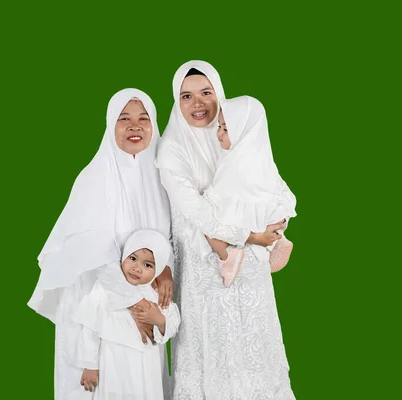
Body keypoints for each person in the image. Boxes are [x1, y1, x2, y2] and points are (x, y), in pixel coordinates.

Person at [157, 61, 295, 399]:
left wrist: (273, 226)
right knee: (212, 351)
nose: (198, 103)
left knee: (254, 345)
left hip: (250, 270)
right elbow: (196, 211)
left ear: (219, 94)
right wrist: (252, 235)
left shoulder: (235, 133)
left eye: (206, 92)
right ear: (177, 102)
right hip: (203, 272)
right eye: (186, 96)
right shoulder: (172, 151)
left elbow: (264, 181)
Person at [28, 88, 173, 399]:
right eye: (124, 119)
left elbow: (166, 240)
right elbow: (95, 254)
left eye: (143, 119)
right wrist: (135, 304)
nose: (135, 126)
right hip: (98, 304)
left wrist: (165, 272)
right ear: (111, 125)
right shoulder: (95, 177)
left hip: (141, 311)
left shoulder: (160, 178)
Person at [72, 229, 180, 399]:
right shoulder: (104, 290)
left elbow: (173, 324)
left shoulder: (156, 295)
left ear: (158, 269)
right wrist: (90, 365)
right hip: (112, 361)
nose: (137, 268)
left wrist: (158, 320)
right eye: (133, 258)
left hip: (146, 366)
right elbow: (90, 329)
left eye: (148, 265)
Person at [205, 96, 297, 286]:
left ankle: (228, 255)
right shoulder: (262, 155)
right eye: (219, 127)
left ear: (242, 131)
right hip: (270, 216)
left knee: (207, 223)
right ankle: (278, 240)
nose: (219, 133)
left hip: (243, 221)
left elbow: (220, 198)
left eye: (226, 128)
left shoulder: (233, 163)